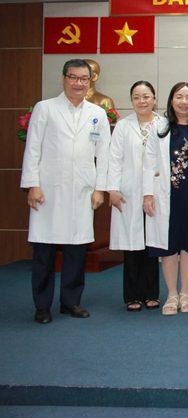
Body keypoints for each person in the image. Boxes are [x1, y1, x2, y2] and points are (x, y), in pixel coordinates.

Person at [21, 59, 111, 324]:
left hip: (82, 190)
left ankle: (70, 301)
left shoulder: (97, 113)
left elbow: (104, 154)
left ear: (89, 81)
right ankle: (42, 305)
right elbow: (33, 148)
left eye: (84, 79)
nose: (78, 83)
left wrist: (100, 189)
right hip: (48, 190)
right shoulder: (45, 108)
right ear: (63, 79)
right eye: (73, 77)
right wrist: (33, 184)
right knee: (44, 251)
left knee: (77, 249)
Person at [143, 82, 188, 316]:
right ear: (171, 100)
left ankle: (185, 293)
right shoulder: (159, 127)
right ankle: (171, 294)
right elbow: (148, 162)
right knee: (168, 246)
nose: (184, 102)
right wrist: (148, 194)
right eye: (179, 97)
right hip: (165, 195)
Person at [107, 81, 161, 312]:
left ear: (154, 99)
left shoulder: (163, 124)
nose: (142, 101)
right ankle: (132, 295)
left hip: (156, 192)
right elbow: (114, 159)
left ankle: (151, 294)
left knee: (152, 244)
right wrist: (112, 189)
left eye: (146, 96)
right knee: (131, 246)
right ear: (131, 100)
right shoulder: (123, 126)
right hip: (128, 192)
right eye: (137, 97)